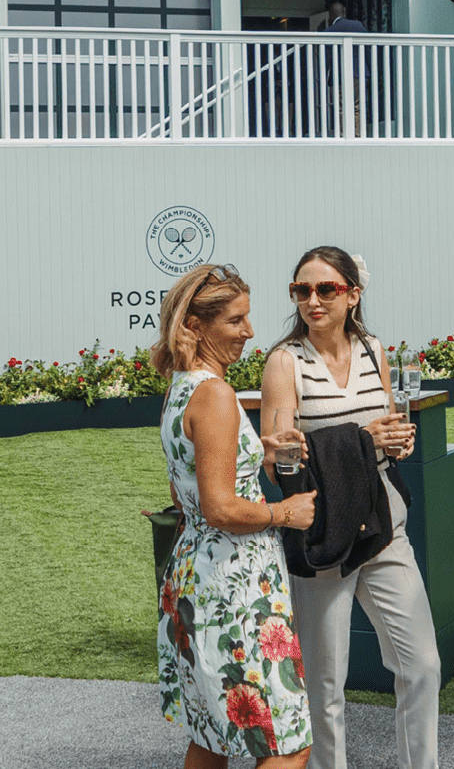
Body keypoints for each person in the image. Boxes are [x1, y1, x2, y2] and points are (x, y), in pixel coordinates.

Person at [259, 247, 437, 769]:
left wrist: (393, 442)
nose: (312, 300)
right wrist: (360, 439)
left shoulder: (373, 348)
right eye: (301, 291)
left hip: (382, 519)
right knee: (325, 681)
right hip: (322, 526)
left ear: (353, 294)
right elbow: (279, 464)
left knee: (422, 663)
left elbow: (386, 427)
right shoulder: (284, 361)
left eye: (326, 289)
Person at [155, 263, 313, 769]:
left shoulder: (180, 389)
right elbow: (220, 507)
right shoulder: (216, 395)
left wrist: (252, 450)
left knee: (212, 738)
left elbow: (185, 492)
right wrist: (283, 512)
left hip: (193, 581)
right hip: (236, 588)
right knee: (289, 744)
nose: (249, 332)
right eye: (236, 321)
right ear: (196, 326)